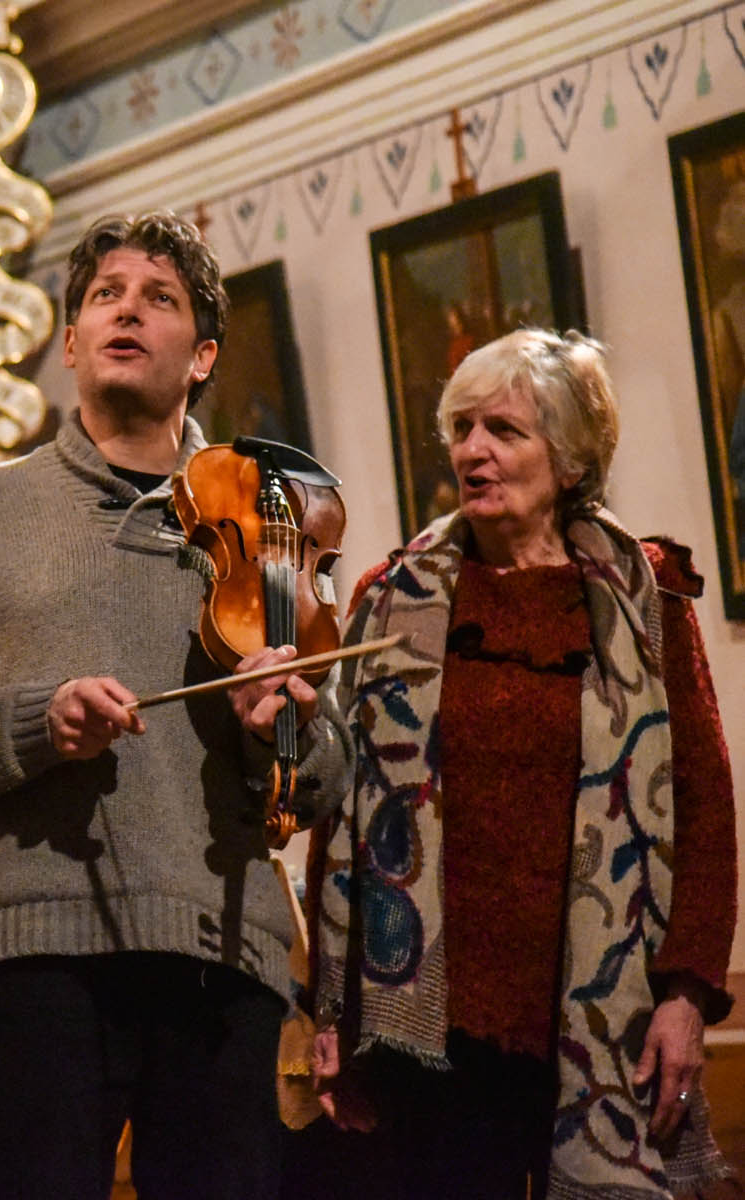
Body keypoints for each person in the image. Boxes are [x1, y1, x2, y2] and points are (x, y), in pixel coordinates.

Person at [0, 211, 353, 1200]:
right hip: (41, 957)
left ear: (202, 356)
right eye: (105, 295)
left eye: (158, 299)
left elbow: (322, 782)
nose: (126, 313)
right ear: (66, 345)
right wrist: (36, 722)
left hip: (222, 954)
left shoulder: (270, 526)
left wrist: (288, 730)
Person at [308, 329, 737, 1198]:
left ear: (569, 457)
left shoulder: (645, 600)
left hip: (600, 1011)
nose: (472, 451)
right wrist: (327, 1007)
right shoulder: (391, 600)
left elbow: (703, 806)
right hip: (424, 1019)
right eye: (461, 428)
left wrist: (687, 994)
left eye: (502, 430)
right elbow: (345, 811)